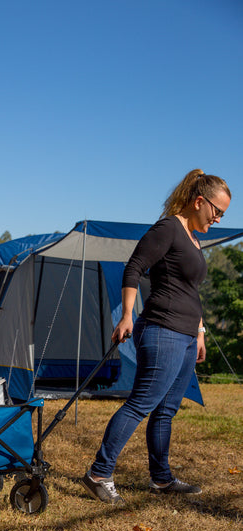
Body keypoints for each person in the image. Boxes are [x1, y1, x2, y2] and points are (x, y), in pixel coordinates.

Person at [81, 169, 231, 505]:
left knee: (166, 410)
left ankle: (161, 479)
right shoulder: (168, 229)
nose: (219, 219)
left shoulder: (193, 238)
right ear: (198, 202)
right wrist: (126, 316)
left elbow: (190, 290)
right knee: (141, 404)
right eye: (217, 211)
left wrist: (201, 333)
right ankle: (99, 473)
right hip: (162, 330)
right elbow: (133, 267)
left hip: (186, 335)